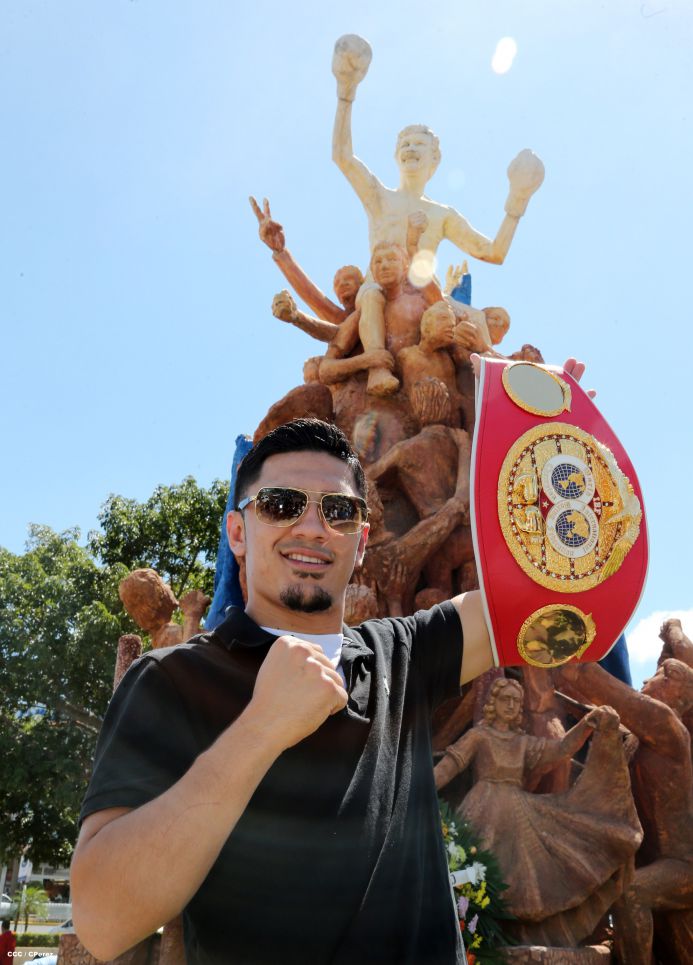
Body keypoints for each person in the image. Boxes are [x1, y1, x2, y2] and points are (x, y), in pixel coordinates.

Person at [71, 365, 588, 963]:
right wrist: (260, 728)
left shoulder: (404, 654)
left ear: (361, 540)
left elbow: (550, 594)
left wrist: (556, 442)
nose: (313, 528)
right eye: (281, 504)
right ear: (237, 532)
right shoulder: (170, 680)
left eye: (338, 512)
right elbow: (104, 921)